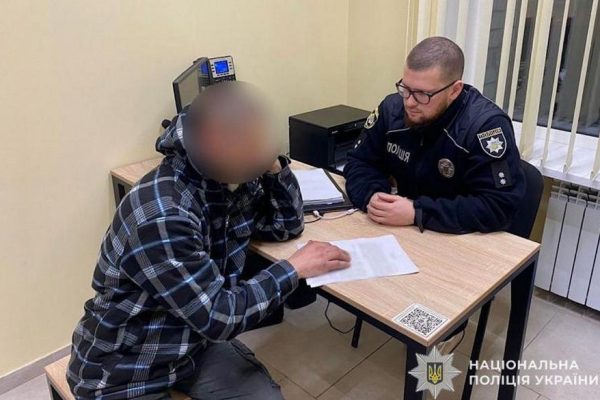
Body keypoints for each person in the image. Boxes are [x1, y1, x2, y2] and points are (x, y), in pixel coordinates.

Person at [67, 81, 351, 400]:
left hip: (191, 345)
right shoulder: (165, 215)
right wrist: (293, 269)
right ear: (217, 143)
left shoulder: (223, 178)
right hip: (126, 369)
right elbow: (219, 317)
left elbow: (285, 226)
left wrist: (272, 166)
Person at [344, 36, 526, 234]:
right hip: (403, 230)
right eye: (405, 88)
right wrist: (372, 196)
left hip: (459, 239)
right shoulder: (391, 109)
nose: (409, 102)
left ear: (454, 90)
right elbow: (359, 161)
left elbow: (498, 206)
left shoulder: (485, 127)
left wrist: (418, 212)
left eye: (423, 94)